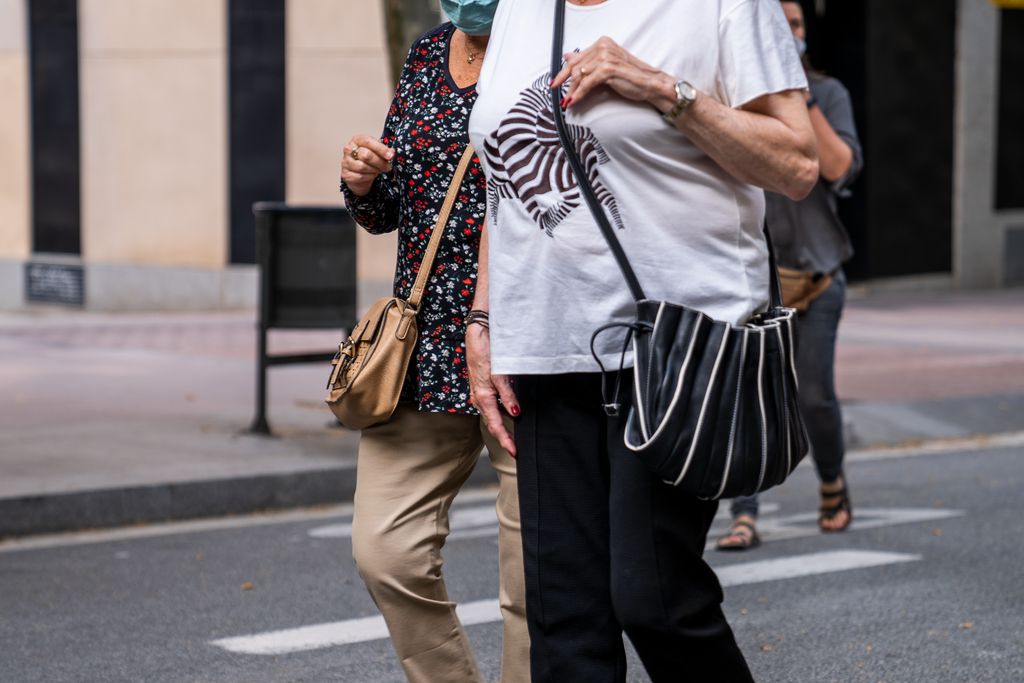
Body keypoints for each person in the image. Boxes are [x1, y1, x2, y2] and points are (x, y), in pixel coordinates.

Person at [465, 0, 817, 680]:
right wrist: (484, 320)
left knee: (655, 599)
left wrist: (664, 90)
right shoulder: (521, 8)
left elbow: (798, 162)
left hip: (679, 346)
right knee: (565, 624)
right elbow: (500, 174)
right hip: (546, 343)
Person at [338, 4, 529, 682]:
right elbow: (393, 204)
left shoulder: (545, 44)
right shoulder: (425, 57)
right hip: (422, 357)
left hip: (528, 352)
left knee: (535, 583)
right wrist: (364, 182)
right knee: (384, 549)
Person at [717, 0, 863, 552]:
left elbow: (837, 168)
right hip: (754, 276)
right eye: (779, 23)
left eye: (796, 25)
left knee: (817, 398)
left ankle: (832, 482)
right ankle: (744, 513)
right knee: (744, 399)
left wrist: (797, 97)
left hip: (820, 273)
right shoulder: (732, 97)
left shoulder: (828, 94)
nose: (789, 32)